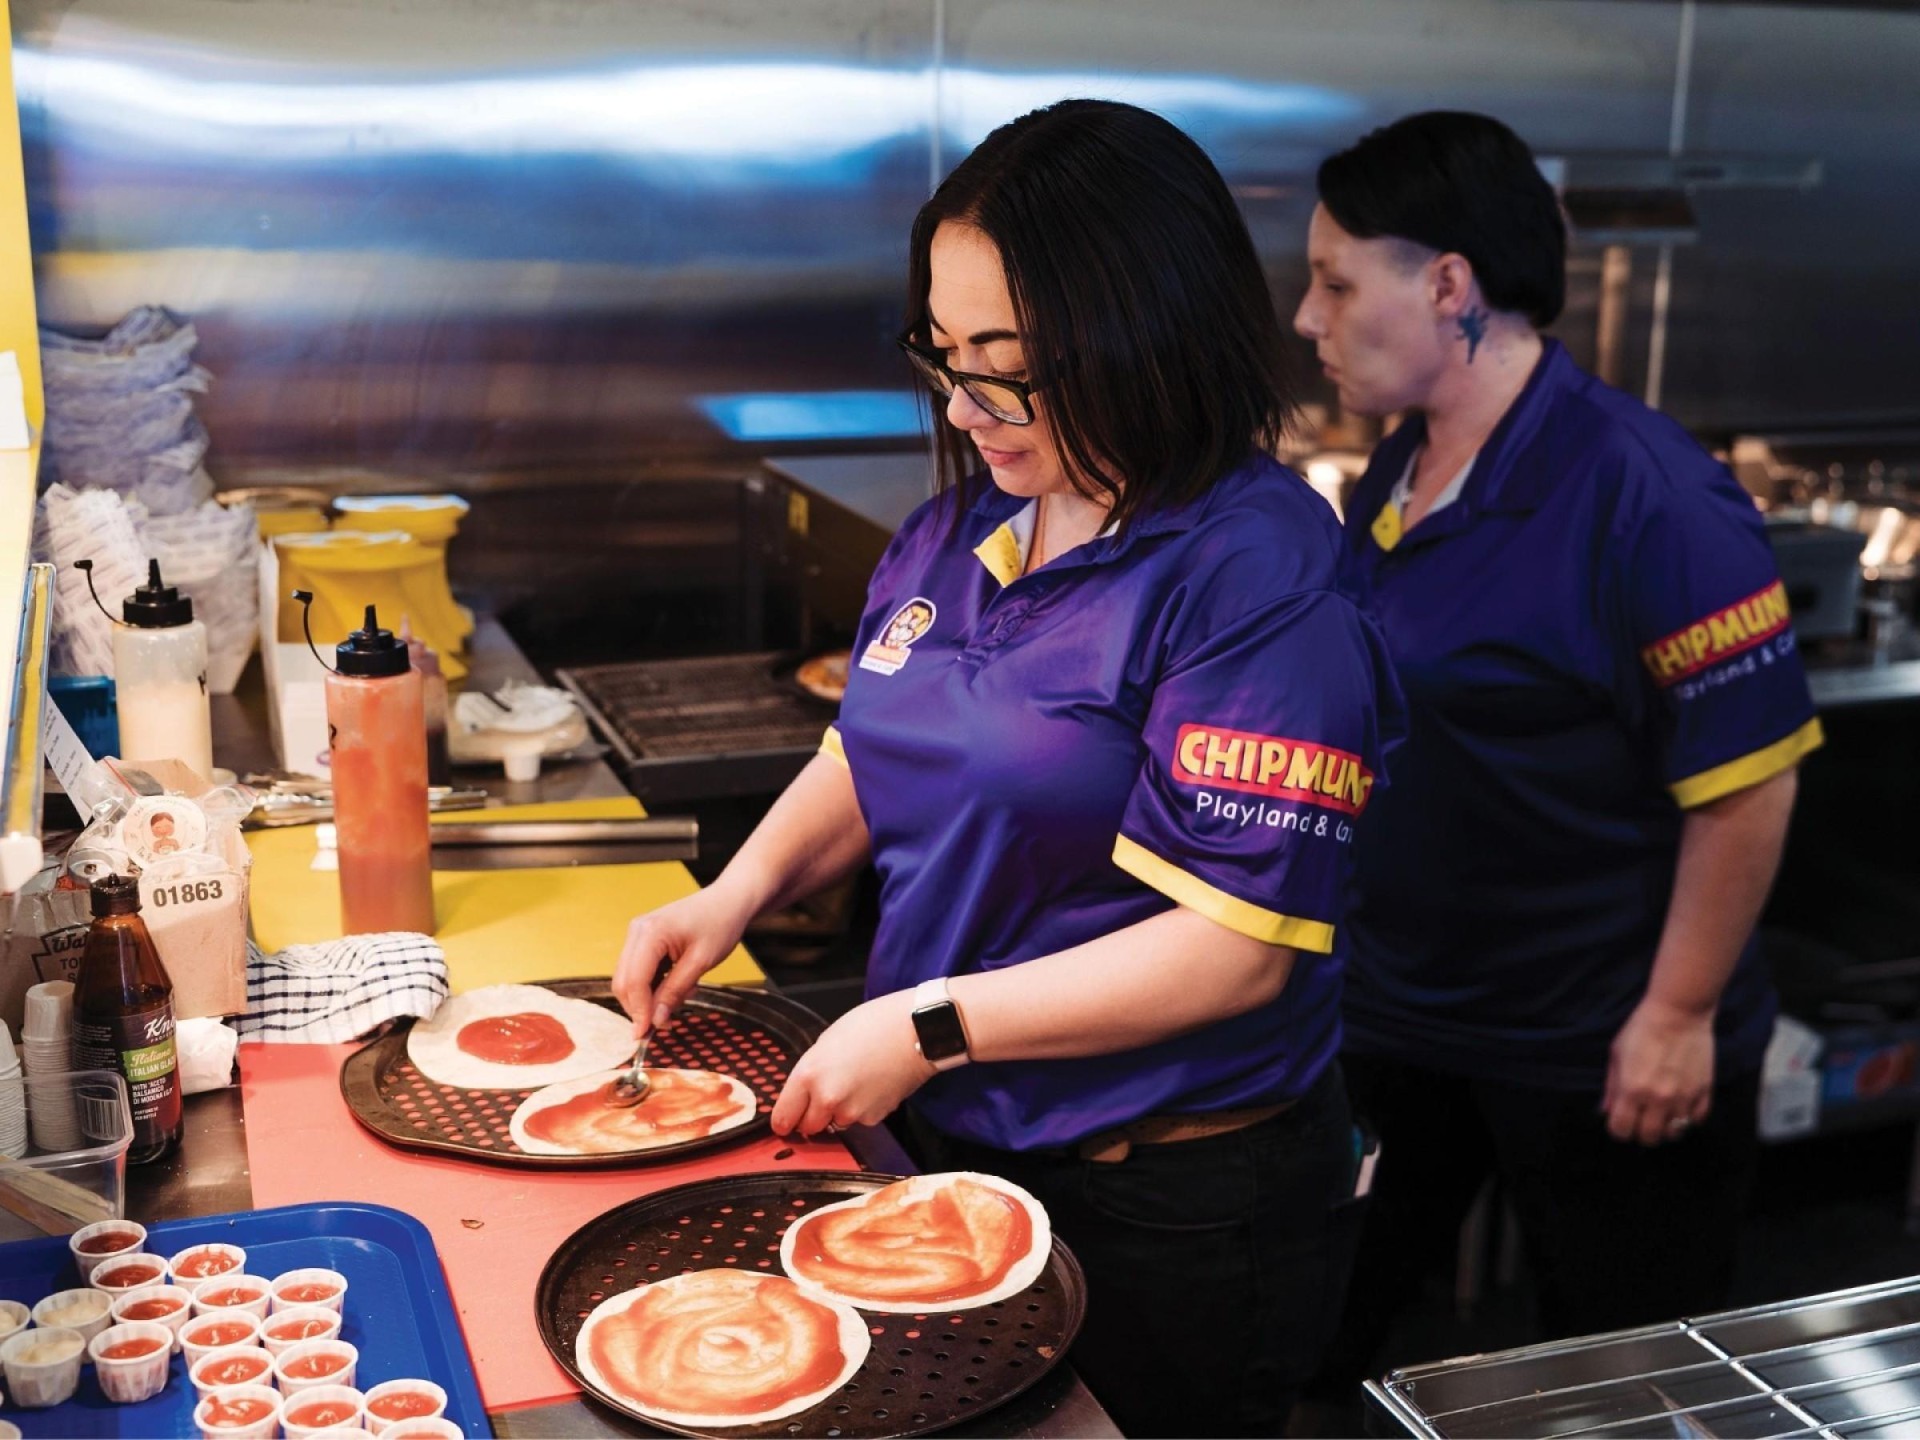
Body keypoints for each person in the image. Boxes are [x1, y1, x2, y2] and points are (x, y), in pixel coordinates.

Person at [615, 98, 1403, 1438]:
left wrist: (924, 1027)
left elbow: (1235, 952)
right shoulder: (966, 524)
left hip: (1163, 1206)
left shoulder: (1256, 576)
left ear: (1143, 333)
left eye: (1007, 364)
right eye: (944, 353)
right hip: (954, 1141)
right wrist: (732, 896)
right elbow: (875, 745)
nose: (963, 403)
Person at [1290, 111, 1822, 1406]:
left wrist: (1677, 1016)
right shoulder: (1401, 466)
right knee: (1313, 1343)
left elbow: (1751, 780)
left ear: (1449, 286)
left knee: (1623, 1388)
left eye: (1335, 283)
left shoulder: (1652, 494)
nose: (1307, 320)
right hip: (1405, 1019)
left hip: (1599, 1038)